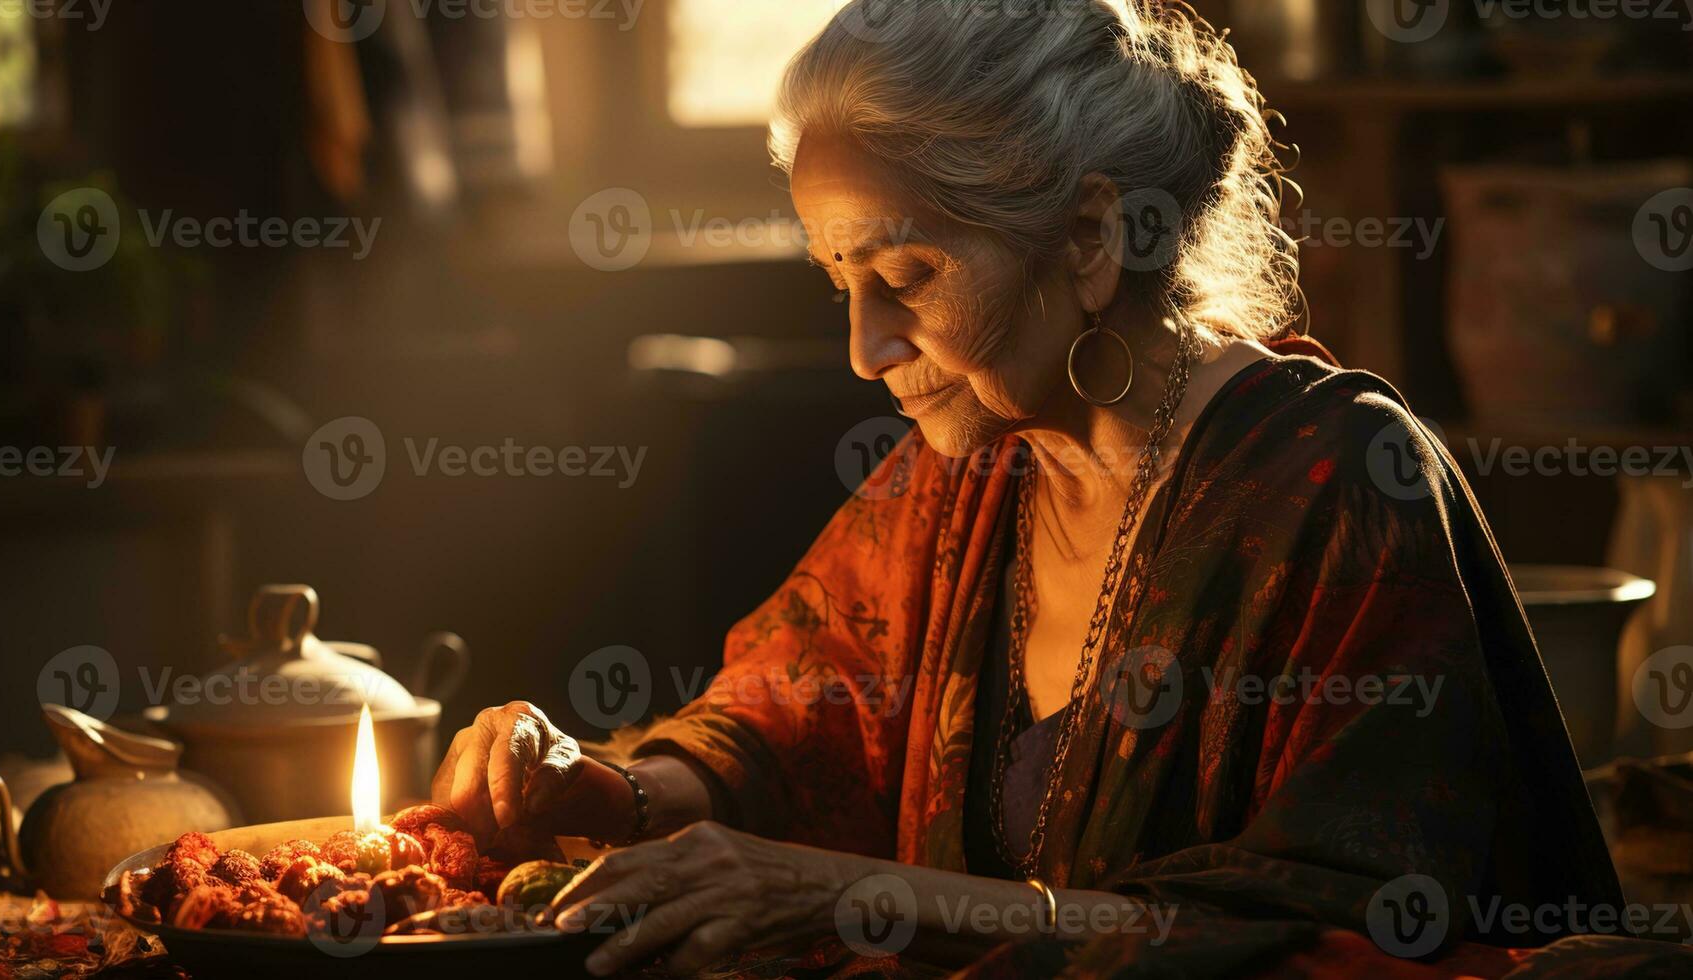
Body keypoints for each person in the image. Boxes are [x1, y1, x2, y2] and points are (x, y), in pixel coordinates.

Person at [434, 3, 1643, 976]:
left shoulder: (1338, 484)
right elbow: (793, 725)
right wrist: (610, 786)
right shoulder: (959, 475)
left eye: (906, 271)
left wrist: (855, 893)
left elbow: (1345, 925)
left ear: (1087, 236)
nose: (863, 345)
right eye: (837, 277)